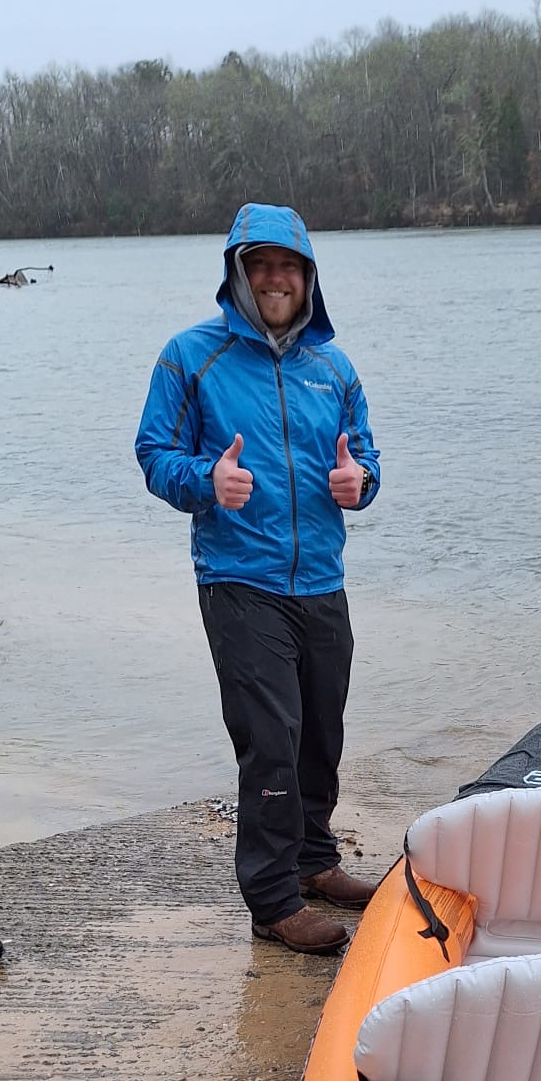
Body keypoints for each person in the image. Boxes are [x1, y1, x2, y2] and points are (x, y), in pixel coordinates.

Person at [135, 204, 382, 954]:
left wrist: (357, 482)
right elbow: (154, 454)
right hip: (239, 579)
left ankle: (313, 861)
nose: (276, 279)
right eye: (261, 265)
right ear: (238, 273)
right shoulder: (191, 355)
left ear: (308, 277)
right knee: (270, 739)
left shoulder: (332, 367)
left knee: (320, 731)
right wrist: (207, 481)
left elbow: (366, 461)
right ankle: (273, 900)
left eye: (289, 266)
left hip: (321, 582)